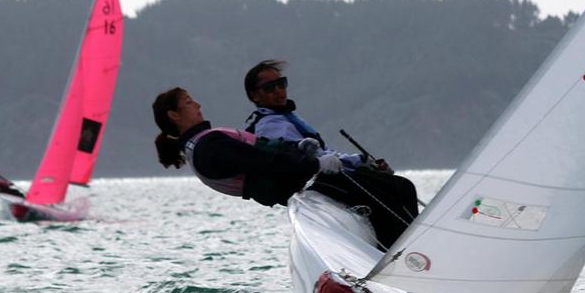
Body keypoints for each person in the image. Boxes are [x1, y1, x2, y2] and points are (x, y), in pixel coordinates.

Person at [242, 60, 419, 247]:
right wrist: (359, 160)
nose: (279, 90)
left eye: (281, 83)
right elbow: (306, 156)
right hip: (316, 182)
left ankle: (406, 251)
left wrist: (362, 162)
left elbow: (324, 153)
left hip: (324, 177)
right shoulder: (270, 125)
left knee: (397, 186)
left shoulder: (281, 118)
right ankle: (408, 254)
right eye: (270, 87)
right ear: (255, 96)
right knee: (400, 187)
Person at [152, 87, 342, 209]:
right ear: (174, 115)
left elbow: (263, 154)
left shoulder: (198, 147)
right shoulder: (209, 147)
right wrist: (316, 165)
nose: (197, 104)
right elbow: (267, 161)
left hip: (298, 191)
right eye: (188, 102)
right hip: (308, 185)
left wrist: (298, 147)